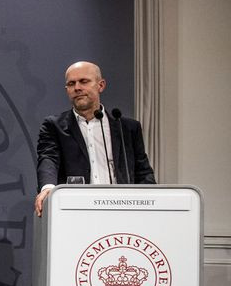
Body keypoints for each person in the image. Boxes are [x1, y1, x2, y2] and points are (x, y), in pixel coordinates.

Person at [34, 61, 156, 217]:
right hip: (77, 211)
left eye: (84, 81)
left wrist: (152, 201)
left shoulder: (127, 128)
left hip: (124, 211)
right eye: (71, 84)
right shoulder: (54, 126)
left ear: (101, 85)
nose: (77, 88)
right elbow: (48, 158)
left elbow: (143, 171)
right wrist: (48, 188)